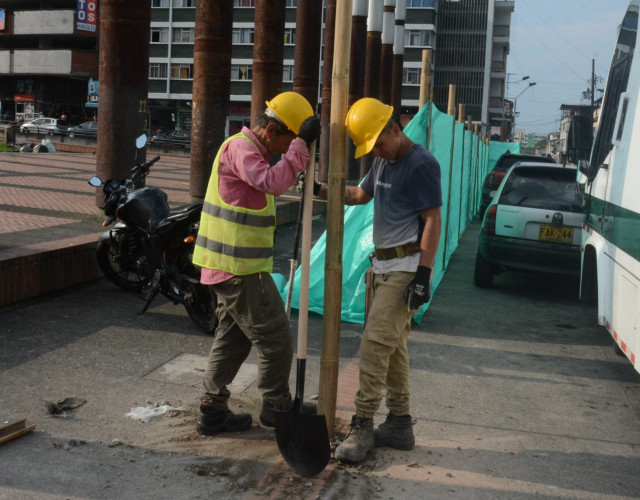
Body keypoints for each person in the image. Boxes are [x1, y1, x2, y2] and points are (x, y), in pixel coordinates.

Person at [317, 97, 442, 463]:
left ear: (393, 127)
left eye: (379, 143)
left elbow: (432, 219)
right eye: (372, 147)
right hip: (384, 268)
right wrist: (322, 191)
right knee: (393, 349)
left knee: (373, 345)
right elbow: (359, 194)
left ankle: (363, 424)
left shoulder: (421, 164)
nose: (378, 151)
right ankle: (401, 425)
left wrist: (423, 275)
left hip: (406, 267)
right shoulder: (382, 162)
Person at [192, 91, 321, 435]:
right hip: (239, 268)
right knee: (276, 338)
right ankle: (277, 408)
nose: (287, 149)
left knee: (233, 339)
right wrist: (302, 147)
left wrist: (300, 158)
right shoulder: (241, 148)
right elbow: (273, 182)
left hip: (230, 265)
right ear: (271, 130)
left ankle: (212, 408)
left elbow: (272, 178)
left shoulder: (251, 150)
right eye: (287, 141)